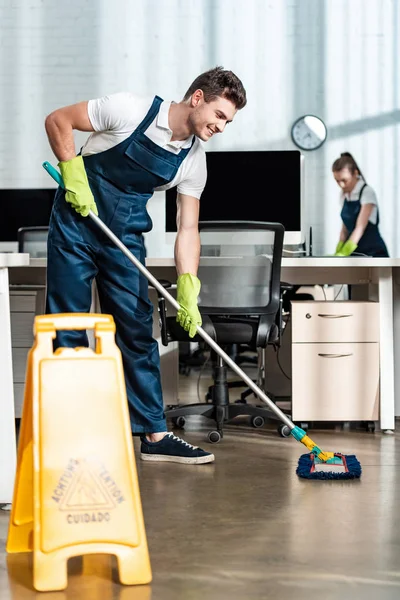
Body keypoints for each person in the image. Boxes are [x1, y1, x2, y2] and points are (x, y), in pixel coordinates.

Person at [44, 66, 247, 465]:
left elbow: (187, 228)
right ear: (198, 98)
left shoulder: (194, 160)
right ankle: (67, 432)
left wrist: (188, 284)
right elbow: (58, 121)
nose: (222, 127)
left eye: (229, 121)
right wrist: (72, 173)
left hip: (125, 239)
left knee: (137, 331)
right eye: (220, 116)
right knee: (68, 325)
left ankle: (154, 434)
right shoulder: (129, 110)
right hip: (75, 226)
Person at [332, 152, 388, 257]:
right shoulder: (344, 195)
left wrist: (344, 252)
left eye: (344, 180)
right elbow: (345, 228)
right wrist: (338, 250)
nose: (341, 185)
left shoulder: (367, 192)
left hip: (373, 253)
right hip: (355, 253)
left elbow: (360, 227)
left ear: (355, 173)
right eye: (337, 181)